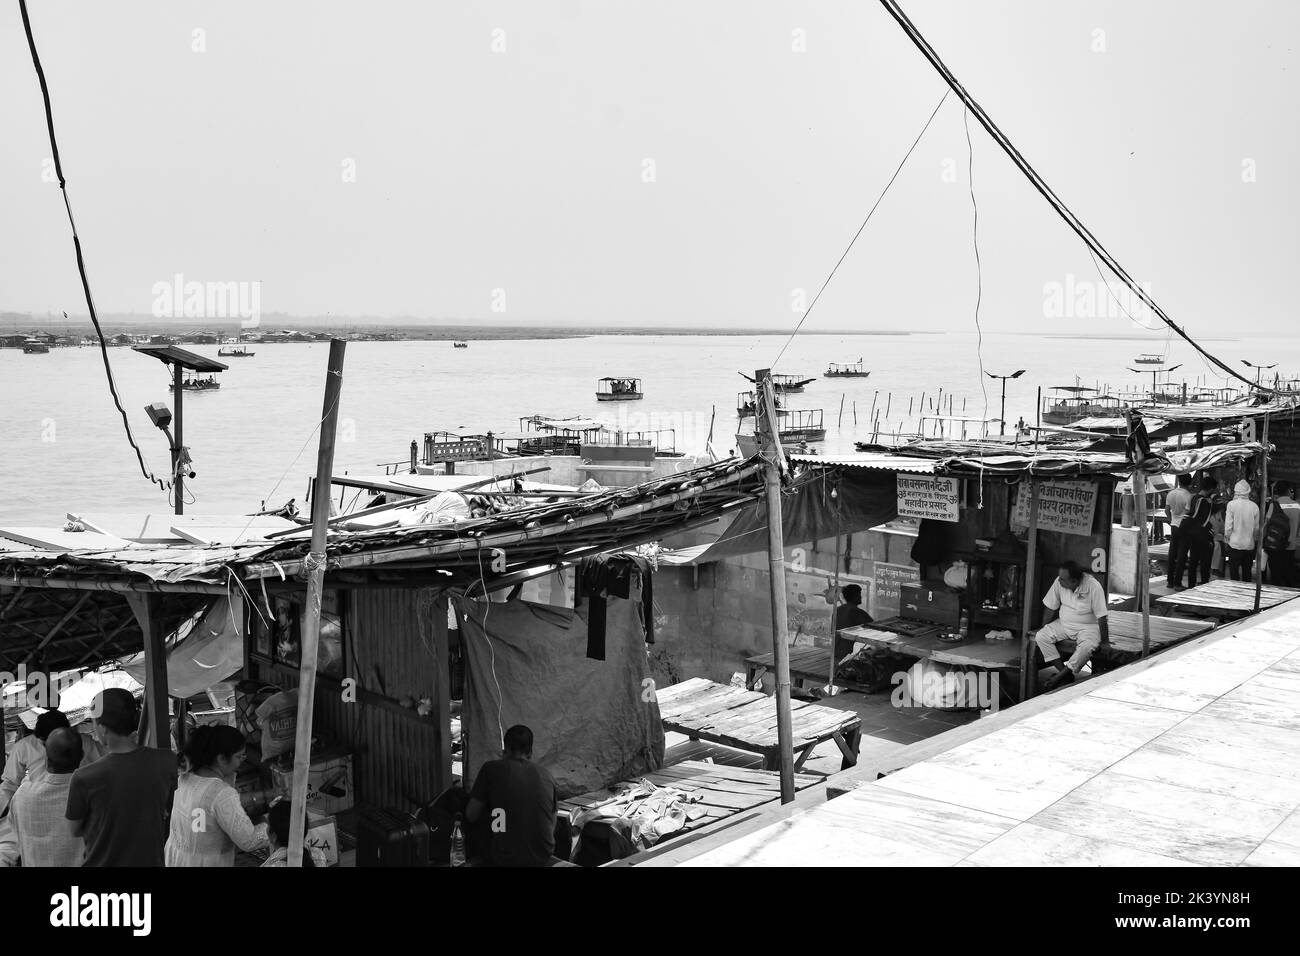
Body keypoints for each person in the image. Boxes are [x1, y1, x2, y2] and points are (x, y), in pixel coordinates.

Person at [65, 689, 178, 867]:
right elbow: (168, 808)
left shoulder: (84, 777)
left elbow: (74, 830)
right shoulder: (167, 760)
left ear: (102, 728)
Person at [165, 725, 268, 866]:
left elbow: (214, 809)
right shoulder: (221, 793)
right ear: (221, 759)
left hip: (179, 860)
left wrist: (265, 795)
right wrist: (271, 826)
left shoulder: (185, 777)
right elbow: (248, 841)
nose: (241, 761)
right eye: (239, 756)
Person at [465, 724, 558, 867]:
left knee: (487, 814)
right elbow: (551, 823)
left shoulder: (491, 768)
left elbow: (471, 814)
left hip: (506, 858)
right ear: (530, 752)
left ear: (506, 749)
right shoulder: (547, 775)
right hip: (543, 855)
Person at [0, 709, 104, 817]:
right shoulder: (24, 747)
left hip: (77, 804)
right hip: (39, 807)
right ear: (38, 737)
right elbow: (9, 784)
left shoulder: (85, 743)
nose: (51, 749)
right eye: (45, 744)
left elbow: (109, 763)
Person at [9, 728, 85, 867]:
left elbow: (13, 832)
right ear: (82, 756)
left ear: (46, 759)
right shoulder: (91, 797)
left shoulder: (22, 795)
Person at [1034, 560, 1110, 692]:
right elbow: (1050, 606)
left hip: (1088, 627)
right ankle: (1065, 674)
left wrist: (1105, 642)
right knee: (1041, 636)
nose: (1059, 581)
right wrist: (1043, 626)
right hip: (1064, 624)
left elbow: (1102, 616)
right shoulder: (1059, 582)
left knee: (1087, 647)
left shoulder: (1093, 586)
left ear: (1074, 581)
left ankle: (1059, 677)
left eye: (1063, 579)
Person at [260, 800, 326, 867]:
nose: (267, 828)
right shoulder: (319, 855)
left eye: (268, 824)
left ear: (274, 836)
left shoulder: (271, 865)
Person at [1181, 476, 1218, 589]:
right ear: (1211, 489)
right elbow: (1206, 519)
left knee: (1193, 560)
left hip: (1192, 534)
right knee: (1205, 562)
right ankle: (1204, 584)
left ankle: (1191, 585)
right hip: (1203, 535)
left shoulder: (1194, 498)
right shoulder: (1206, 502)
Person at [1264, 481, 1300, 587]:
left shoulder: (1274, 505)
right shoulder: (1297, 506)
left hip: (1275, 545)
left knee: (1276, 575)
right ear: (1288, 491)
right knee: (1288, 572)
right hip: (1291, 545)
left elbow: (1267, 524)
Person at [1223, 479, 1260, 581]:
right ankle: (1246, 594)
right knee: (1247, 573)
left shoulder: (1231, 505)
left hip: (1234, 544)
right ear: (1248, 491)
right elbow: (1256, 528)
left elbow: (1228, 526)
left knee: (1234, 573)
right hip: (1249, 545)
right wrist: (1255, 540)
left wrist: (1226, 539)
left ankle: (1236, 594)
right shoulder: (1255, 506)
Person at [1165, 473, 1194, 588]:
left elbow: (1167, 510)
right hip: (1184, 526)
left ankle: (1170, 581)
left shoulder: (1171, 493)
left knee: (1172, 553)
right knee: (1182, 555)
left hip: (1173, 525)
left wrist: (1170, 521)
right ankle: (1177, 582)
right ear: (1190, 483)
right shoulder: (1188, 496)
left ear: (1179, 481)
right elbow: (1188, 513)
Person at [832, 584, 873, 664]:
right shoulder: (857, 612)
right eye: (859, 595)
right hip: (849, 655)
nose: (861, 597)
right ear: (854, 597)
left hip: (836, 652)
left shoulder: (838, 610)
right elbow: (874, 628)